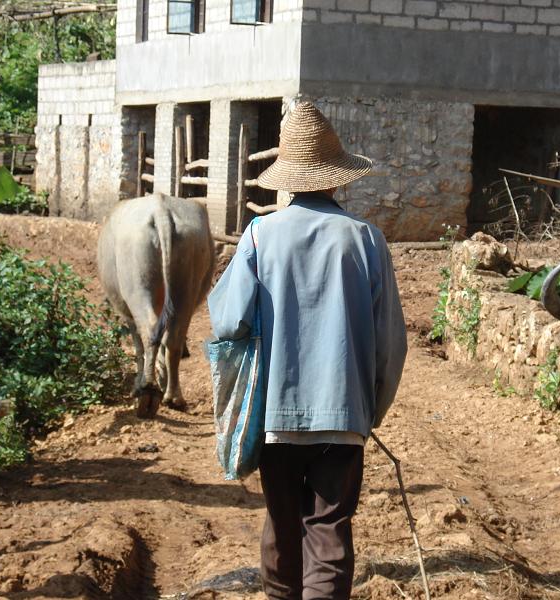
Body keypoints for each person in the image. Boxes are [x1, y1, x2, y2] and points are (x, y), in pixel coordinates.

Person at [208, 101, 407, 600]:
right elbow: (391, 343)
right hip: (344, 417)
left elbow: (228, 321)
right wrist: (370, 410)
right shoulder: (367, 240)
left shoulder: (260, 235)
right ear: (337, 179)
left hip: (276, 417)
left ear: (287, 180)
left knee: (281, 525)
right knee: (329, 530)